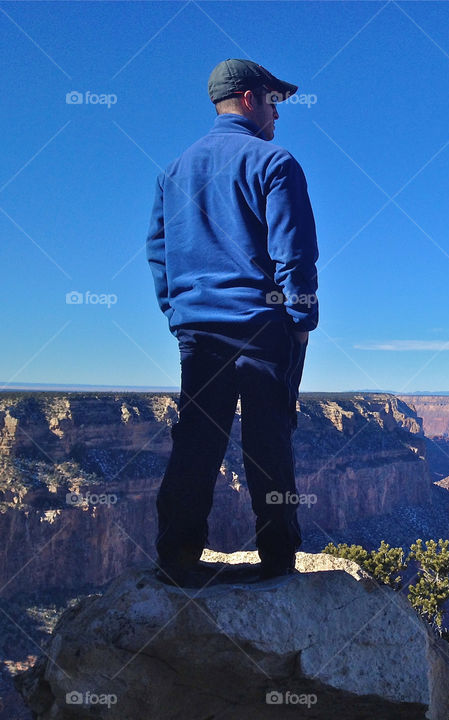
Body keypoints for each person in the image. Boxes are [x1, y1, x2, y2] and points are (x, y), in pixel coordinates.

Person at [146, 59, 319, 588]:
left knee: (197, 440)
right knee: (269, 440)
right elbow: (295, 252)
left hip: (197, 329)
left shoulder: (174, 171)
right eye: (273, 102)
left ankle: (177, 557)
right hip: (261, 325)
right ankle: (276, 558)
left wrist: (177, 312)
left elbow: (158, 251)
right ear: (248, 99)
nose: (276, 115)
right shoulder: (274, 162)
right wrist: (301, 318)